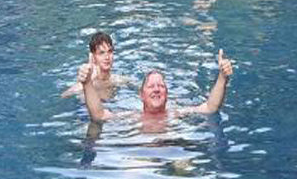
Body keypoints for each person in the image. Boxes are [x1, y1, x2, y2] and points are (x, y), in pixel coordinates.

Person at [83, 49, 234, 126]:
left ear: (167, 94)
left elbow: (210, 107)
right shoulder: (133, 118)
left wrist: (222, 77)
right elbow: (99, 115)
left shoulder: (176, 114)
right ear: (141, 95)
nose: (156, 89)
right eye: (151, 86)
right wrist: (87, 83)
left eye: (161, 86)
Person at [60, 31, 123, 100]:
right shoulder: (88, 83)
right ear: (93, 57)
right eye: (101, 53)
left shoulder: (117, 80)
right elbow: (64, 96)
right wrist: (86, 83)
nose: (107, 57)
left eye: (109, 51)